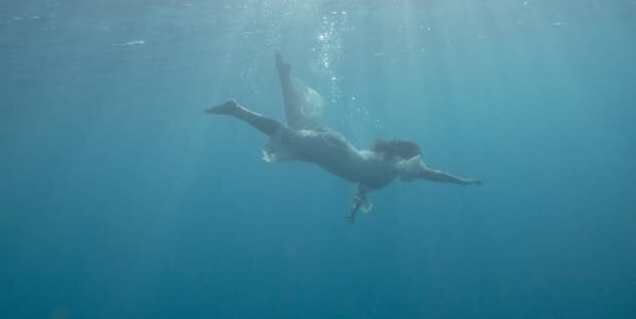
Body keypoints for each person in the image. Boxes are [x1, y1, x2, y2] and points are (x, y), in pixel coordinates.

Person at [206, 53, 481, 221]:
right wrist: (463, 181)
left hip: (332, 154)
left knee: (296, 123)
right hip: (334, 153)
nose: (417, 168)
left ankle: (283, 76)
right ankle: (236, 109)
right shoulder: (397, 165)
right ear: (409, 158)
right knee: (286, 134)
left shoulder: (383, 171)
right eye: (416, 162)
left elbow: (362, 186)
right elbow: (431, 174)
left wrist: (353, 212)